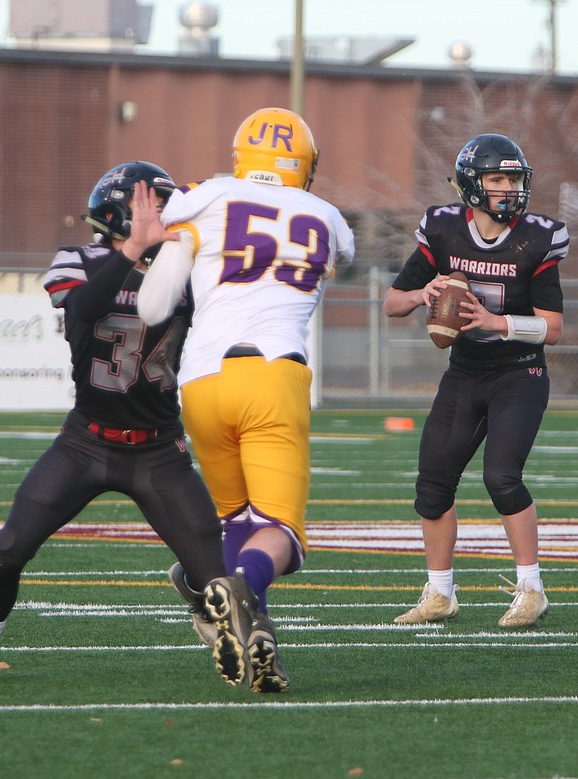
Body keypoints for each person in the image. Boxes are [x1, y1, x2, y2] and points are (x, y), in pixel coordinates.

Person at [0, 162, 229, 684]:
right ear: (122, 211)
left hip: (159, 448)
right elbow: (82, 307)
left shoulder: (186, 270)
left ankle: (196, 593)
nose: (166, 217)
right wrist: (133, 250)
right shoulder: (78, 259)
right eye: (156, 206)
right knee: (10, 547)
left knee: (216, 576)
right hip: (86, 442)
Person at [137, 107, 356, 693]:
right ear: (304, 166)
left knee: (235, 518)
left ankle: (240, 618)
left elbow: (154, 308)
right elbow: (341, 255)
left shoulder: (202, 197)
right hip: (273, 375)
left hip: (202, 381)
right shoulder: (327, 217)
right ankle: (239, 594)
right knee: (282, 532)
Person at [384, 133, 568, 629]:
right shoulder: (442, 229)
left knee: (501, 477)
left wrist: (494, 323)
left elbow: (553, 328)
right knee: (432, 485)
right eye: (498, 179)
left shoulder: (538, 237)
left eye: (514, 179)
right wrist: (423, 291)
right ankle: (439, 593)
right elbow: (392, 303)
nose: (509, 189)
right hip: (465, 373)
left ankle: (532, 588)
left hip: (519, 372)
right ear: (472, 183)